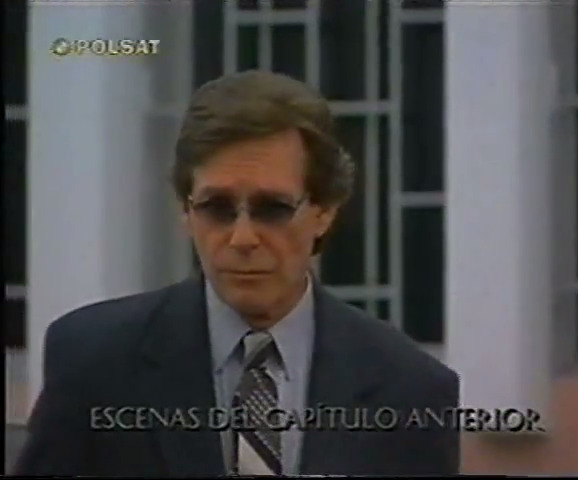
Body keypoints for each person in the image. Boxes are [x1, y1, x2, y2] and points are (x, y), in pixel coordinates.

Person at [13, 70, 460, 476]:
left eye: (273, 208)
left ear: (324, 211)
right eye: (217, 208)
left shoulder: (410, 388)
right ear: (186, 210)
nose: (242, 237)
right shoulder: (94, 359)